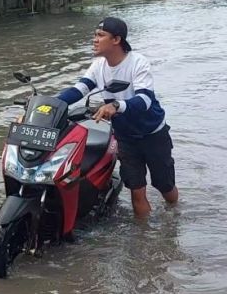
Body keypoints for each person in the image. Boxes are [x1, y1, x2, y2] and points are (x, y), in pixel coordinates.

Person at [57, 17, 178, 218]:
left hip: (153, 134)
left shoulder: (137, 62)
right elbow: (79, 90)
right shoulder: (98, 66)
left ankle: (174, 220)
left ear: (116, 40)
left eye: (100, 35)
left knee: (165, 187)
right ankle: (145, 240)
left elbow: (145, 100)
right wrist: (48, 104)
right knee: (136, 191)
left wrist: (116, 105)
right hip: (126, 138)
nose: (95, 40)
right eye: (95, 35)